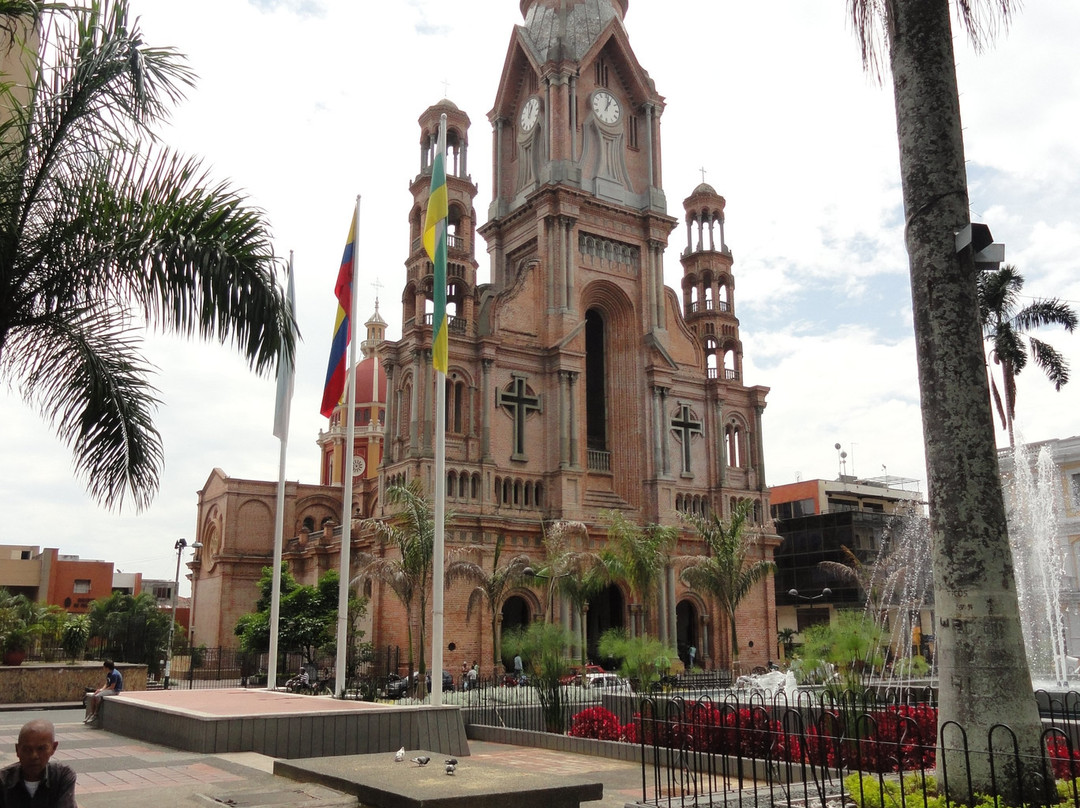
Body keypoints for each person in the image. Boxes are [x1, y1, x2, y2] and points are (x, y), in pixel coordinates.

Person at [0, 719, 77, 807]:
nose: (34, 756)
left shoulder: (61, 777)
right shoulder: (3, 781)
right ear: (17, 750)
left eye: (41, 749)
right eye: (27, 749)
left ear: (53, 748)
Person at [85, 659, 122, 723]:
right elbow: (107, 684)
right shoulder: (109, 674)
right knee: (94, 696)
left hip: (114, 691)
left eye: (104, 667)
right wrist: (101, 689)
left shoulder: (114, 674)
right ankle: (92, 712)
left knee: (97, 696)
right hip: (110, 689)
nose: (103, 668)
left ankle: (96, 714)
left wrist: (102, 691)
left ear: (107, 667)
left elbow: (112, 687)